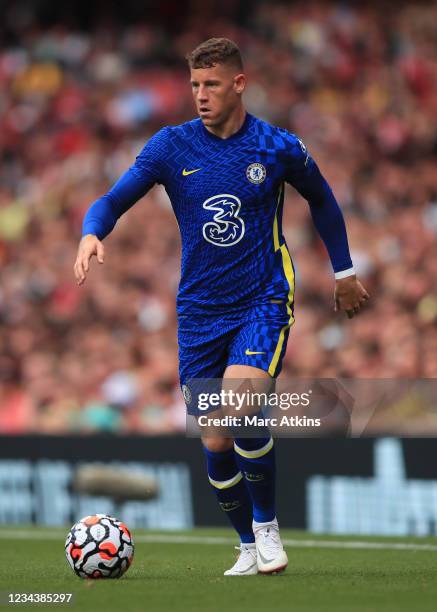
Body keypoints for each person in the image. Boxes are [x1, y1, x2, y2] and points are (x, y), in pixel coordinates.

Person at [74, 37, 369, 576]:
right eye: (194, 85)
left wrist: (344, 270)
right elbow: (112, 198)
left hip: (263, 297)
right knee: (213, 434)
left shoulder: (277, 146)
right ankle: (246, 545)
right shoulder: (171, 147)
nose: (200, 95)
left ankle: (267, 526)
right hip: (198, 311)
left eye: (211, 84)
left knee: (238, 403)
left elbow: (323, 198)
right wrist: (93, 231)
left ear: (238, 84)